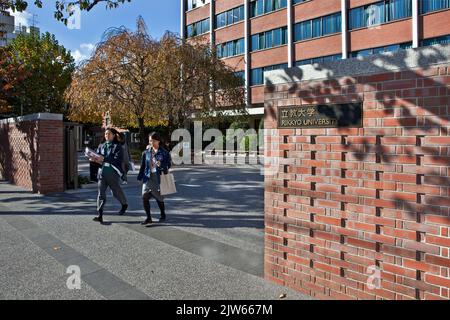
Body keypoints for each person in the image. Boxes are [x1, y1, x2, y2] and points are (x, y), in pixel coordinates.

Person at [90, 128, 128, 224]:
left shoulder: (117, 147)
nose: (107, 135)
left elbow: (117, 160)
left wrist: (104, 159)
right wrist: (94, 160)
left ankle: (124, 204)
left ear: (114, 135)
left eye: (109, 134)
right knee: (101, 194)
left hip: (112, 173)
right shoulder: (101, 146)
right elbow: (99, 158)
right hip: (102, 173)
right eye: (106, 134)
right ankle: (100, 215)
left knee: (115, 192)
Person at [137, 132, 172, 225]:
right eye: (150, 141)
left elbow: (169, 164)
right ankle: (148, 218)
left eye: (153, 140)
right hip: (148, 177)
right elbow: (143, 165)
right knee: (144, 197)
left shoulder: (164, 152)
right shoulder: (146, 152)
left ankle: (163, 213)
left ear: (158, 141)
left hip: (158, 177)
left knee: (159, 198)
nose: (151, 142)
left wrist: (162, 165)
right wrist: (140, 176)